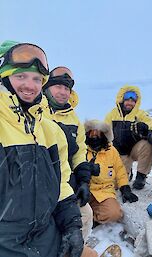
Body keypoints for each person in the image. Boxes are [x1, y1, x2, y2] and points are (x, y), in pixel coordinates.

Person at [0, 40, 94, 257]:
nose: (30, 85)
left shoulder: (49, 131)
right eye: (20, 76)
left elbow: (61, 180)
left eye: (36, 79)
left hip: (42, 233)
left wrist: (71, 226)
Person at [43, 66, 99, 245]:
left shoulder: (74, 119)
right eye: (58, 86)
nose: (63, 92)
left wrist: (83, 181)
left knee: (85, 214)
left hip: (65, 181)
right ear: (47, 87)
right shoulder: (36, 110)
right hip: (39, 180)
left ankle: (73, 249)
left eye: (67, 88)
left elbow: (79, 153)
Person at [84, 119, 138, 223]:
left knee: (114, 214)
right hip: (83, 190)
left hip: (104, 191)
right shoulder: (81, 149)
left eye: (98, 132)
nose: (94, 135)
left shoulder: (111, 150)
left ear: (104, 134)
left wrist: (124, 187)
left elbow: (120, 170)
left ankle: (92, 219)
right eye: (92, 132)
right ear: (87, 133)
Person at [105, 85, 152, 190]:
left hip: (135, 149)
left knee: (148, 144)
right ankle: (127, 172)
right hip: (120, 153)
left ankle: (141, 176)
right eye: (127, 100)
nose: (130, 103)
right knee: (117, 185)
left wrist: (146, 128)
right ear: (122, 99)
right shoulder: (112, 115)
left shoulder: (141, 114)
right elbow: (105, 132)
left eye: (133, 101)